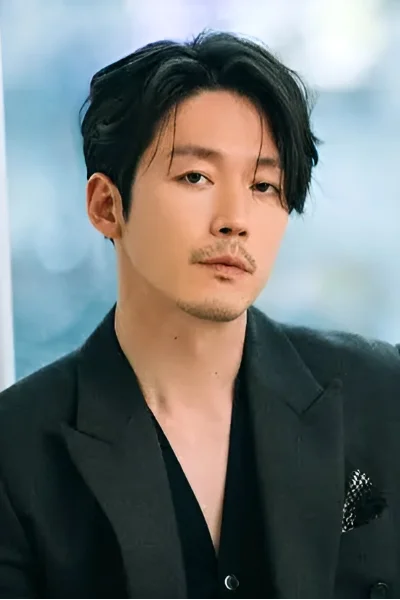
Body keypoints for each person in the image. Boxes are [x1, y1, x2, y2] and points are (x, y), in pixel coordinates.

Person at [0, 30, 399, 600]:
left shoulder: (382, 394)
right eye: (196, 177)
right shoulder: (17, 451)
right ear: (107, 205)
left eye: (264, 185)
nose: (235, 219)